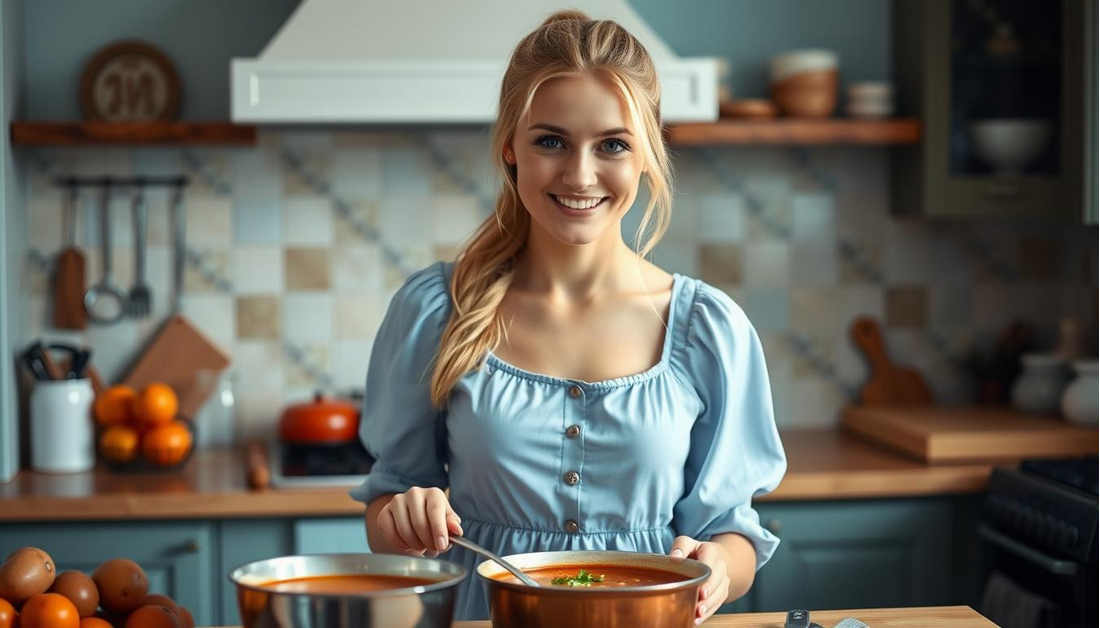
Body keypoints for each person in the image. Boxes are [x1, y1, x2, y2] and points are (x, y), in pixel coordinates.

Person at [350, 9, 787, 623]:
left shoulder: (708, 329)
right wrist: (403, 517)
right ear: (510, 147)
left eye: (612, 144)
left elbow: (731, 532)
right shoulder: (436, 311)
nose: (580, 175)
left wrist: (718, 568)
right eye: (550, 140)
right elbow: (386, 511)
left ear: (645, 153)